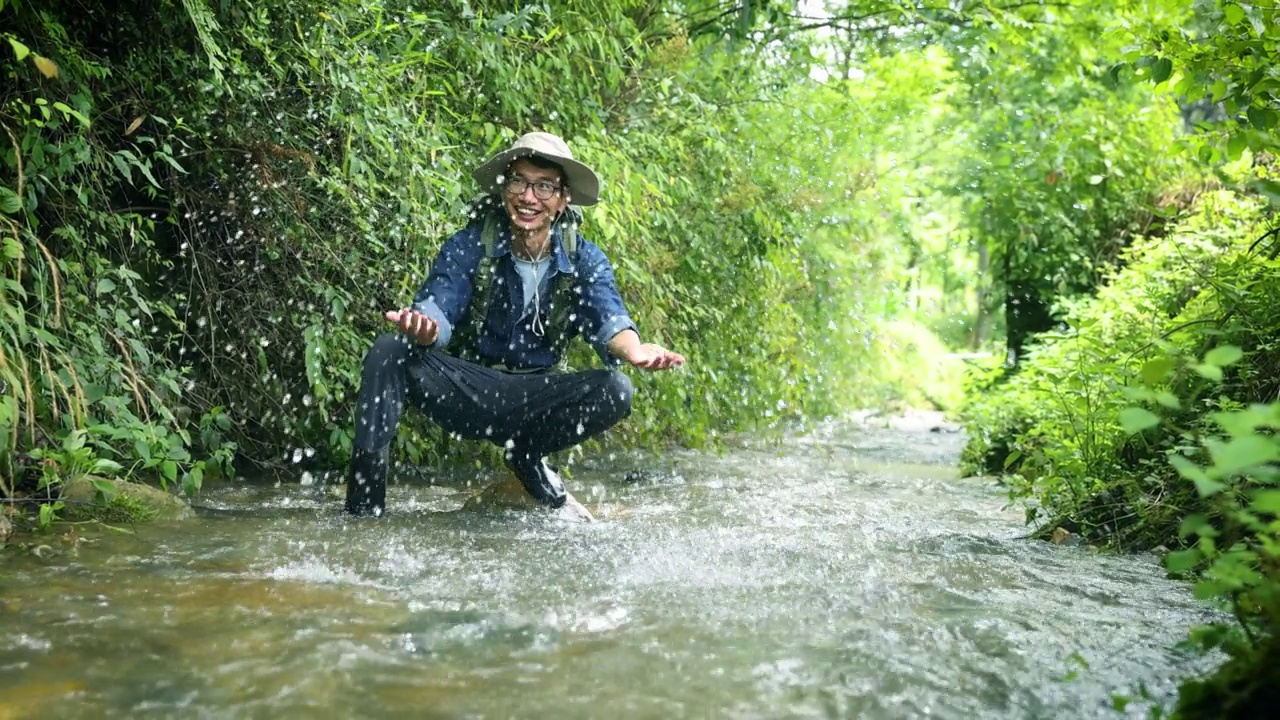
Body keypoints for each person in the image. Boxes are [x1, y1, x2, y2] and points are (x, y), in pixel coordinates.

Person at [345, 132, 686, 516]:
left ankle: (526, 456)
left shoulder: (584, 260)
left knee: (617, 389)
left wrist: (635, 350)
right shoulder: (470, 245)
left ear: (562, 200)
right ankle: (363, 509)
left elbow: (608, 318)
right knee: (389, 350)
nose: (529, 197)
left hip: (537, 397)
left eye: (544, 186)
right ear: (505, 188)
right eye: (519, 181)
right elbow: (441, 301)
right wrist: (427, 327)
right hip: (473, 389)